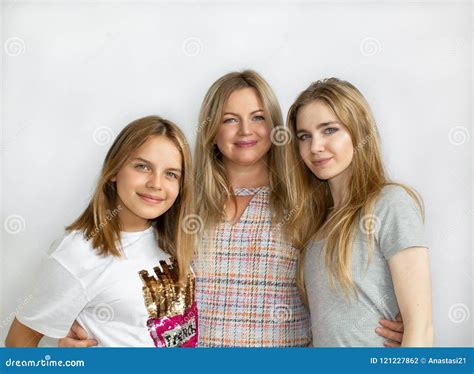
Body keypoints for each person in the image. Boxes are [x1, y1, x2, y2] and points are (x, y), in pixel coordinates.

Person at [5, 115, 198, 347]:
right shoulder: (78, 253)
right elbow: (17, 347)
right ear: (115, 170)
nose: (156, 183)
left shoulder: (172, 238)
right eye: (142, 166)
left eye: (171, 174)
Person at [287, 78, 433, 346]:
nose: (315, 146)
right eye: (304, 136)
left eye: (329, 130)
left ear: (358, 131)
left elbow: (420, 329)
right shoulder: (315, 224)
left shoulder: (391, 204)